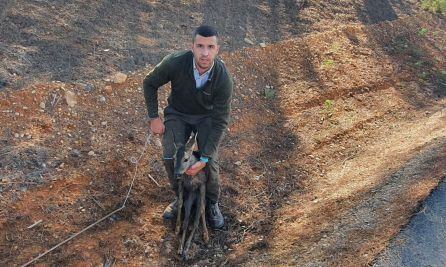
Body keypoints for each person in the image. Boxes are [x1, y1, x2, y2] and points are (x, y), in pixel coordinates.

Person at [143, 25, 233, 229]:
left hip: (207, 117)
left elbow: (220, 121)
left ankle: (211, 203)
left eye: (210, 47)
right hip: (178, 113)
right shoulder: (175, 62)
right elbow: (149, 82)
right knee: (169, 155)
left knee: (210, 161)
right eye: (200, 46)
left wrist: (204, 157)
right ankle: (179, 198)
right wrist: (153, 118)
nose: (204, 52)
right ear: (191, 46)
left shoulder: (223, 78)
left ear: (217, 49)